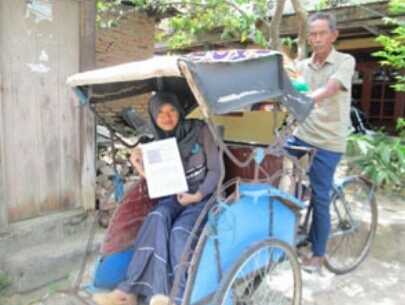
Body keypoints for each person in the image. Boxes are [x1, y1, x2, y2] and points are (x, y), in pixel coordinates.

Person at [93, 92, 221, 305]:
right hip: (175, 195)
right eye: (160, 112)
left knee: (180, 231)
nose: (167, 117)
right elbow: (160, 184)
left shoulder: (200, 131)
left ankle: (178, 295)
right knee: (156, 217)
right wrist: (140, 167)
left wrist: (197, 195)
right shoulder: (157, 141)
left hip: (204, 196)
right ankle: (135, 292)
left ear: (180, 112)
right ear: (153, 116)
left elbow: (216, 171)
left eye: (171, 110)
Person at [286, 12, 356, 272]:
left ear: (333, 35)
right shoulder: (302, 65)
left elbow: (330, 88)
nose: (316, 39)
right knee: (272, 164)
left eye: (321, 33)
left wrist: (305, 100)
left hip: (328, 140)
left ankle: (318, 254)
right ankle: (290, 226)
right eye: (312, 34)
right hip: (302, 134)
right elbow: (290, 90)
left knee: (320, 195)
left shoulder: (345, 61)